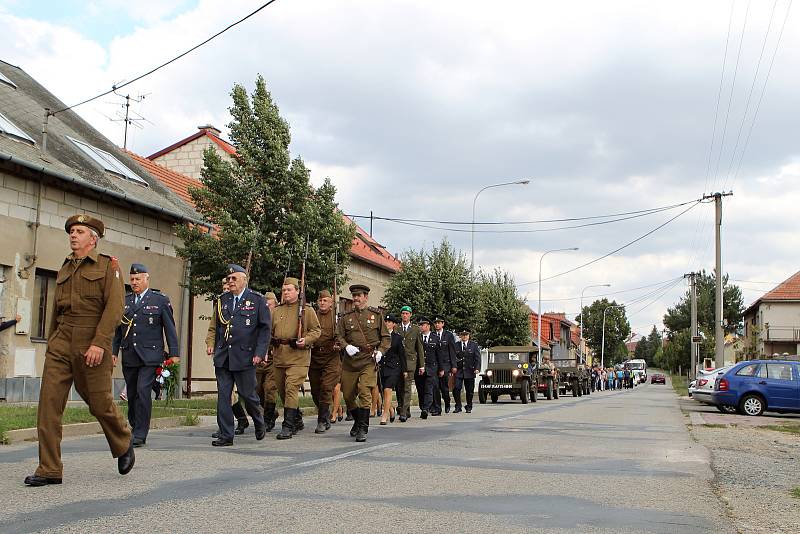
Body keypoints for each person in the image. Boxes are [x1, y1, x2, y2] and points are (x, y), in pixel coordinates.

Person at [25, 214, 134, 486]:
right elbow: (55, 310)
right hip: (62, 342)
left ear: (93, 238)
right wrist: (52, 341)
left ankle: (123, 441)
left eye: (80, 231)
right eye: (72, 231)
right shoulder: (64, 268)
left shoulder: (109, 266)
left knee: (99, 403)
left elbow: (114, 308)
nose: (73, 235)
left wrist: (100, 342)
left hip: (92, 338)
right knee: (48, 405)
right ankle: (49, 468)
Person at [112, 263, 179, 448]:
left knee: (143, 391)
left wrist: (174, 353)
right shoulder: (124, 301)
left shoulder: (159, 300)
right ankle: (135, 425)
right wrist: (113, 351)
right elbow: (118, 330)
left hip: (151, 356)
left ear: (146, 279)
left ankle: (141, 433)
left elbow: (170, 328)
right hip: (130, 355)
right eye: (132, 279)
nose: (134, 282)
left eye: (138, 279)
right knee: (132, 394)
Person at [208, 264, 269, 446]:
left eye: (234, 278)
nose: (230, 282)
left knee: (247, 395)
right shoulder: (222, 300)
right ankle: (226, 435)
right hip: (224, 356)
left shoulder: (257, 300)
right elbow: (218, 327)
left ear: (244, 279)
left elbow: (264, 329)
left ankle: (259, 420)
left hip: (245, 356)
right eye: (228, 279)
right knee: (224, 396)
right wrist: (214, 346)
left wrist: (260, 352)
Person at [335, 284, 390, 442]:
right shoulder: (346, 317)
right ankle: (358, 420)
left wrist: (381, 351)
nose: (356, 299)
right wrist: (346, 346)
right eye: (354, 296)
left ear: (366, 297)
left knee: (364, 389)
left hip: (368, 360)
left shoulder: (376, 315)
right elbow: (338, 335)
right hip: (350, 361)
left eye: (359, 296)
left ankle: (363, 428)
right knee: (348, 394)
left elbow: (386, 337)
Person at [270, 277, 321, 440]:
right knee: (283, 390)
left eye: (289, 290)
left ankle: (288, 425)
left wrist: (305, 340)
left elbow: (316, 331)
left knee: (291, 387)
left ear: (298, 291)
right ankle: (297, 417)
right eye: (284, 290)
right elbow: (269, 332)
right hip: (279, 356)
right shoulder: (277, 310)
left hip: (298, 357)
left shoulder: (306, 310)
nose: (285, 293)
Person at [207, 277, 251, 438]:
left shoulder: (245, 303)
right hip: (223, 354)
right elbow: (212, 328)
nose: (226, 291)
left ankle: (247, 418)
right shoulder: (220, 305)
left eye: (228, 288)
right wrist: (210, 344)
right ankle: (227, 426)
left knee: (245, 392)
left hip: (240, 354)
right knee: (225, 393)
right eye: (224, 288)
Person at [309, 289, 341, 434]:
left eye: (325, 301)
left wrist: (338, 343)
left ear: (331, 303)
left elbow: (342, 335)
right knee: (315, 390)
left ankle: (321, 420)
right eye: (320, 301)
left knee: (327, 387)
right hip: (314, 356)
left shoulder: (336, 318)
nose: (322, 303)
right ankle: (325, 412)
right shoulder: (312, 315)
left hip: (331, 357)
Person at [256, 291, 280, 431]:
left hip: (273, 358)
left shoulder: (279, 318)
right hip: (259, 358)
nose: (267, 308)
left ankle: (267, 420)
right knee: (257, 389)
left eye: (269, 305)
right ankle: (273, 412)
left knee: (270, 388)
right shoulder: (258, 319)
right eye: (265, 305)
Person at [396, 305, 423, 422]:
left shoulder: (416, 329)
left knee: (407, 387)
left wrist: (421, 365)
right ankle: (405, 409)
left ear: (410, 315)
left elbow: (419, 348)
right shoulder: (396, 328)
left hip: (410, 362)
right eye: (403, 313)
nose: (405, 315)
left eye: (407, 313)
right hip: (398, 363)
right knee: (399, 388)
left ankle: (403, 411)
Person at [379, 314, 405, 425]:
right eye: (386, 321)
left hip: (394, 367)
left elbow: (402, 354)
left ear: (394, 324)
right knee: (382, 391)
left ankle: (385, 414)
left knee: (387, 389)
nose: (387, 323)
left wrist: (404, 370)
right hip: (382, 366)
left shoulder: (398, 338)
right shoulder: (379, 336)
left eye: (390, 322)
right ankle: (390, 408)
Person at [433, 316, 457, 415]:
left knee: (444, 388)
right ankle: (437, 408)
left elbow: (452, 351)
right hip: (435, 364)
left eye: (439, 322)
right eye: (435, 323)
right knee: (435, 387)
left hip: (446, 364)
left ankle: (447, 402)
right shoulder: (432, 335)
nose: (437, 324)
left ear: (443, 324)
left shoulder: (449, 335)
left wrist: (454, 365)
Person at [453, 329, 480, 413]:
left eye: (466, 335)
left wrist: (477, 368)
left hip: (470, 370)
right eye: (462, 335)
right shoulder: (456, 345)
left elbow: (477, 358)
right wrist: (453, 367)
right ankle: (458, 406)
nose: (464, 336)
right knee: (456, 388)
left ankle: (469, 406)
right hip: (459, 370)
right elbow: (453, 357)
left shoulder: (474, 345)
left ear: (469, 335)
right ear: (460, 336)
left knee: (470, 390)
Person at [417, 317, 439, 419]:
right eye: (420, 325)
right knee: (420, 389)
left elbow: (439, 354)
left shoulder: (435, 338)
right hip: (419, 368)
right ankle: (423, 407)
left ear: (428, 326)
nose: (421, 326)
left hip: (431, 368)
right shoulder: (417, 337)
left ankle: (426, 408)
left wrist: (441, 369)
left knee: (429, 389)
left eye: (423, 325)